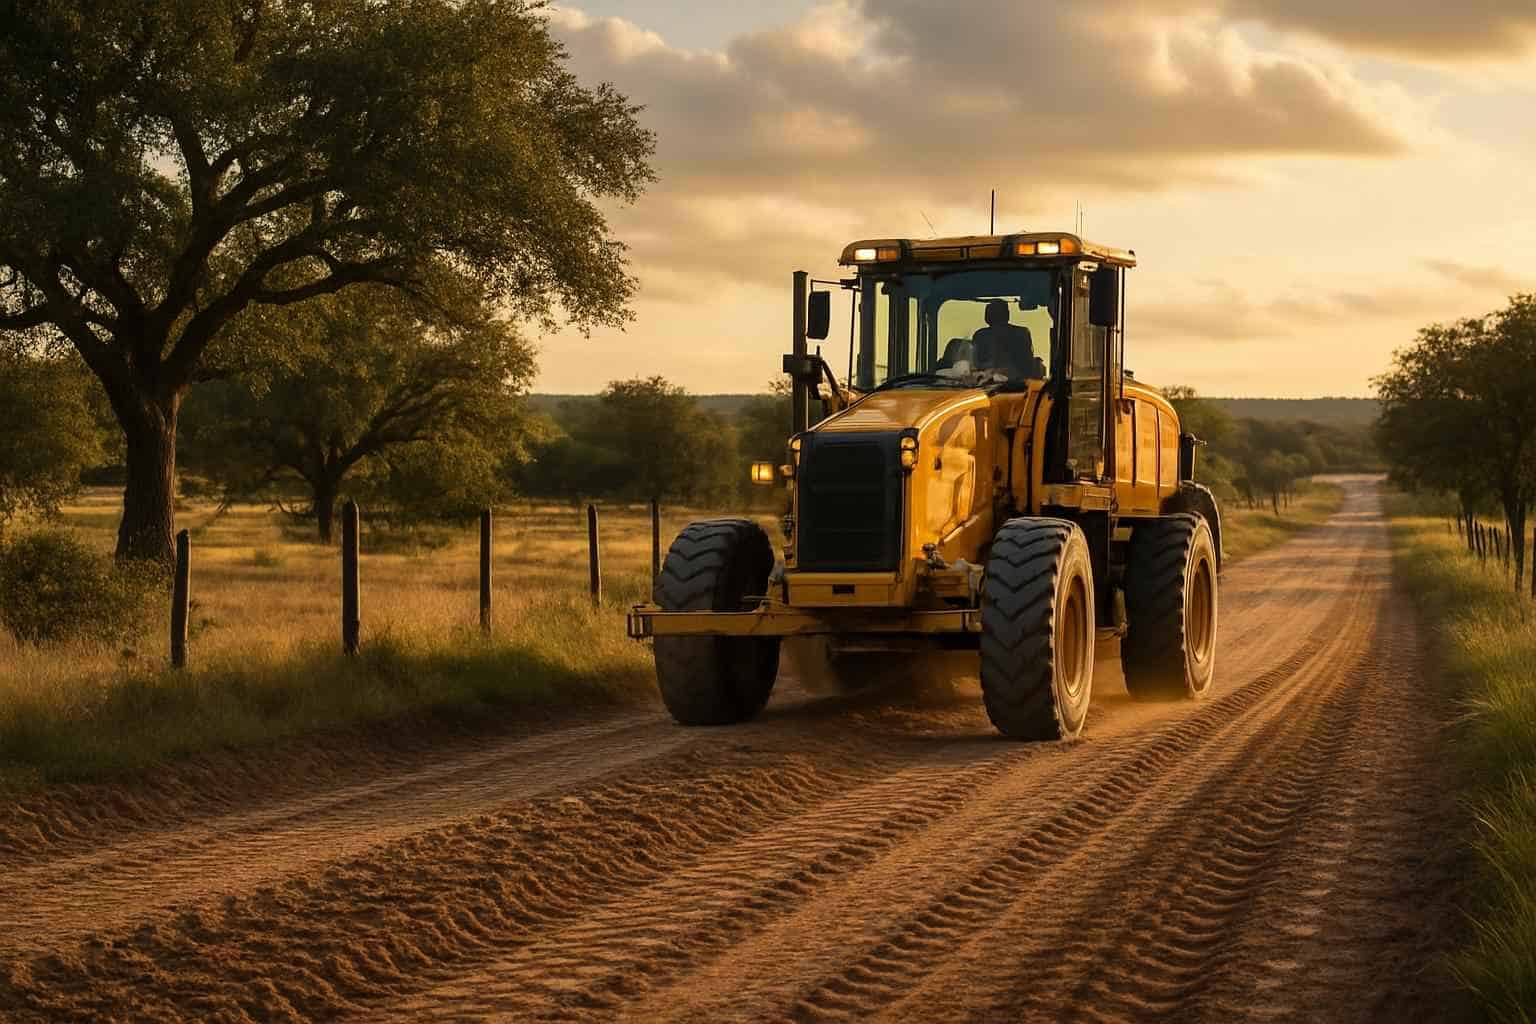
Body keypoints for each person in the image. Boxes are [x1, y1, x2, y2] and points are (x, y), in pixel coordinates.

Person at [971, 299, 1038, 379]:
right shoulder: (1021, 333)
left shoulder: (980, 335)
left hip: (1013, 384)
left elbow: (1026, 367)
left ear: (987, 316)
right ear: (1008, 314)